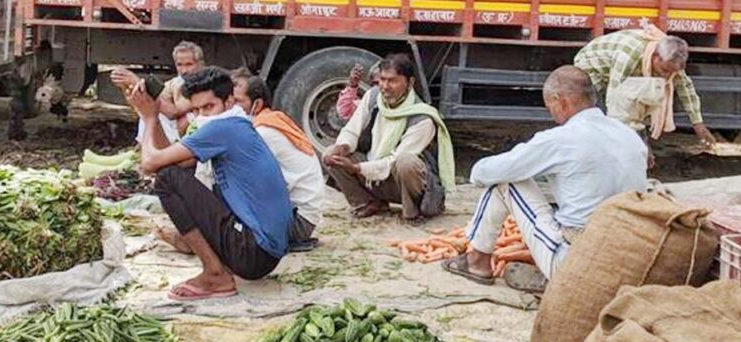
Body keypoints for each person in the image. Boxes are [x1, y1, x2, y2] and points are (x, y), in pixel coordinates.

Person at [443, 65, 648, 290]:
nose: (550, 112)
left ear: (560, 101)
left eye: (549, 105)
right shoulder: (629, 135)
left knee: (505, 181)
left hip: (579, 260)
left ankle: (477, 262)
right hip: (627, 258)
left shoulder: (560, 138)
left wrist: (476, 169)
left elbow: (487, 172)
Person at [125, 66, 291, 301]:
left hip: (254, 252)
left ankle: (215, 274)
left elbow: (150, 163)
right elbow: (170, 159)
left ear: (229, 101)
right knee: (177, 173)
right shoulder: (236, 124)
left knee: (166, 180)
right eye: (197, 109)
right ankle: (217, 267)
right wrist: (149, 114)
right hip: (263, 255)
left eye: (209, 107)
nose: (204, 115)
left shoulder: (223, 128)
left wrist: (150, 117)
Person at [323, 53, 455, 221]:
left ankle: (413, 212)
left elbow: (394, 160)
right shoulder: (373, 97)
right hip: (374, 174)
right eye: (383, 80)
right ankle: (368, 202)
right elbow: (351, 131)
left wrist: (356, 168)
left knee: (406, 162)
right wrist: (341, 148)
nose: (385, 86)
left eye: (392, 81)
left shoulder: (423, 118)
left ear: (410, 82)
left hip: (403, 183)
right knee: (330, 153)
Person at [574, 26, 716, 160]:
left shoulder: (672, 59)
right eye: (665, 71)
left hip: (619, 74)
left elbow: (685, 88)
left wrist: (698, 124)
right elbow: (616, 99)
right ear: (655, 56)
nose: (667, 77)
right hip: (593, 68)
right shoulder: (629, 55)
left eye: (671, 73)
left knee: (640, 103)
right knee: (595, 115)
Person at [232, 70, 324, 251]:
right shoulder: (270, 120)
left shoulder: (264, 131)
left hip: (297, 223)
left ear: (257, 104)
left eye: (238, 102)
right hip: (300, 216)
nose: (232, 107)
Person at [112, 41, 204, 142]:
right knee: (148, 111)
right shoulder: (177, 82)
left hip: (202, 132)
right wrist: (127, 86)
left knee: (167, 115)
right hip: (182, 129)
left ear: (200, 64)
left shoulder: (204, 83)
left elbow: (173, 112)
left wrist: (137, 82)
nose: (184, 70)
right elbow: (144, 103)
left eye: (189, 64)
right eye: (180, 65)